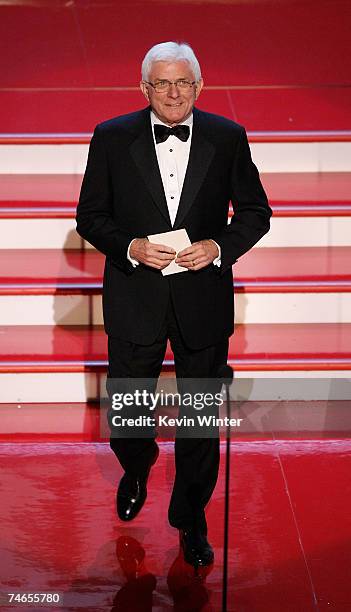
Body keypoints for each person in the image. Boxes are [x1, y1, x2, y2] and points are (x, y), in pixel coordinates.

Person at [76, 41, 272, 567]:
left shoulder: (227, 138)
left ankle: (190, 518)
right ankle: (137, 465)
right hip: (135, 293)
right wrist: (131, 246)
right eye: (161, 83)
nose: (172, 92)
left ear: (199, 86)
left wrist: (218, 248)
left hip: (202, 296)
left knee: (200, 420)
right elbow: (90, 217)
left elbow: (256, 212)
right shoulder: (112, 137)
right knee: (129, 413)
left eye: (182, 82)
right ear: (144, 88)